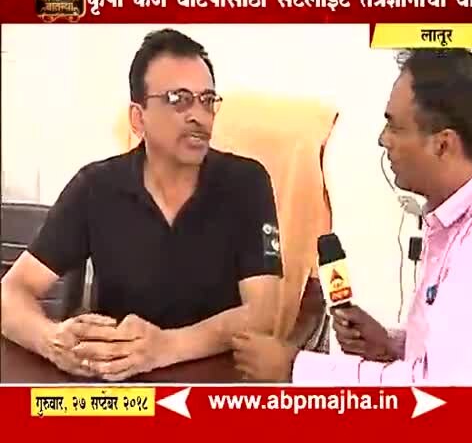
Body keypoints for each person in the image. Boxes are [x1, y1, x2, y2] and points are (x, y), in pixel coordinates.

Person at [231, 48, 472, 385]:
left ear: (443, 144)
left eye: (395, 127)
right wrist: (391, 344)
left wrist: (294, 368)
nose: (383, 140)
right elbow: (459, 352)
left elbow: (436, 389)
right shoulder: (461, 209)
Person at [1, 28, 283, 381]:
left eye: (207, 99)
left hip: (216, 387)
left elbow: (263, 314)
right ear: (138, 118)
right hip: (119, 386)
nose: (199, 115)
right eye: (179, 99)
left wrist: (166, 347)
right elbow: (11, 292)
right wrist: (52, 340)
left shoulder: (247, 183)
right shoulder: (96, 187)